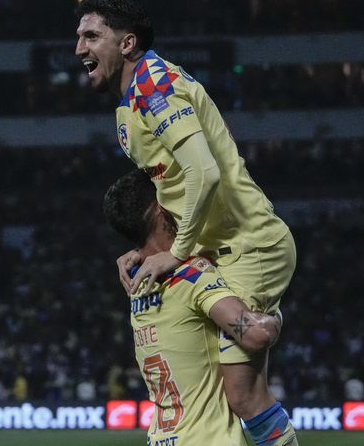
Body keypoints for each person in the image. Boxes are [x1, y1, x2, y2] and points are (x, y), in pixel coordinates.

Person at [76, 0, 297, 442]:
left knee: (241, 393)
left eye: (92, 35)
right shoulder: (129, 107)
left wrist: (175, 253)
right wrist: (145, 247)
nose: (79, 48)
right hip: (220, 245)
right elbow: (169, 192)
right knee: (224, 389)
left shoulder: (155, 87)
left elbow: (204, 171)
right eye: (79, 37)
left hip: (248, 243)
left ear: (127, 42)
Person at [103, 169, 297, 446]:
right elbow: (256, 335)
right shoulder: (191, 275)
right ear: (161, 208)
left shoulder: (137, 285)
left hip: (162, 438)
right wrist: (272, 311)